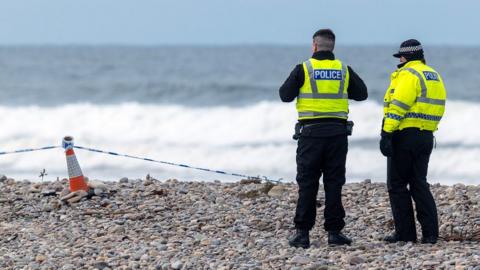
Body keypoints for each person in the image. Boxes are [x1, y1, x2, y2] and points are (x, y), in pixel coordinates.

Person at [279, 29, 368, 248]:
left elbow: (284, 95)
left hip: (311, 135)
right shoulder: (343, 70)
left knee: (307, 184)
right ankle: (334, 233)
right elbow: (362, 94)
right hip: (337, 135)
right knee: (334, 184)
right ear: (333, 47)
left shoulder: (304, 69)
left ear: (314, 46)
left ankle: (302, 234)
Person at [380, 39, 447, 244]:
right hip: (426, 136)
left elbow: (399, 106)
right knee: (419, 183)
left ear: (405, 57)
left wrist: (386, 133)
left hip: (405, 136)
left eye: (400, 57)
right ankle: (430, 234)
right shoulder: (433, 75)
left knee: (397, 185)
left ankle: (405, 234)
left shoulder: (408, 75)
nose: (398, 60)